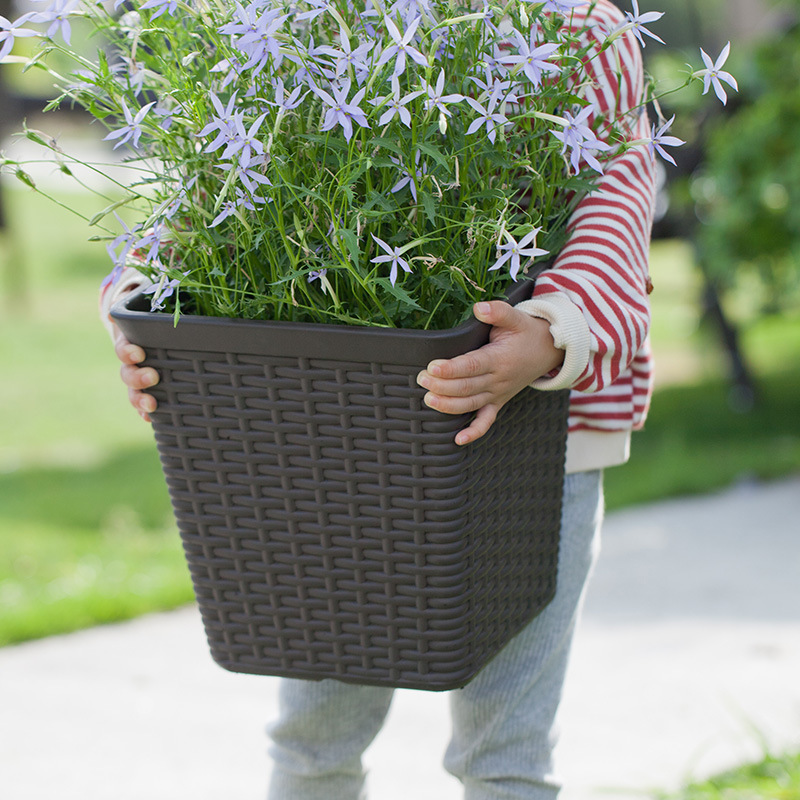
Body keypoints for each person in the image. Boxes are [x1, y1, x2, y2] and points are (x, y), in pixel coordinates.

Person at [100, 2, 657, 796]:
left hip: (544, 447)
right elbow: (204, 202)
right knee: (313, 740)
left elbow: (616, 206)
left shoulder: (579, 26)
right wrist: (142, 322)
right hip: (341, 449)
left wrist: (548, 332)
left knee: (507, 750)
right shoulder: (309, 19)